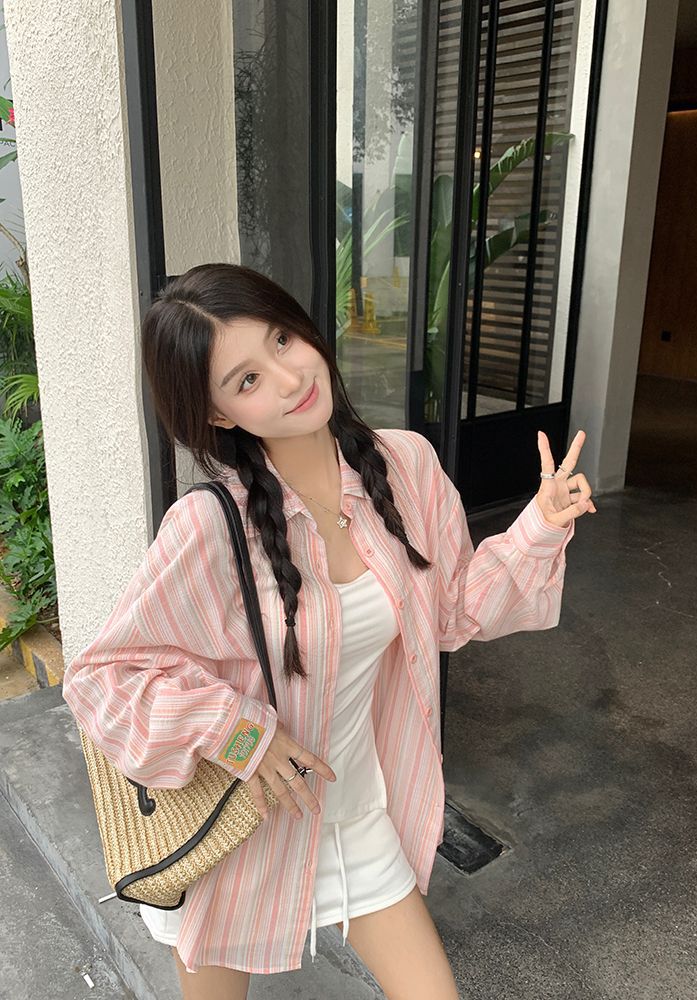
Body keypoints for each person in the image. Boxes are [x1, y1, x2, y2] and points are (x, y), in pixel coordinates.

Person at [62, 262, 595, 1000]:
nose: (289, 379)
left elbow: (451, 612)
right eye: (248, 379)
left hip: (357, 813)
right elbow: (100, 679)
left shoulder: (405, 465)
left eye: (282, 339)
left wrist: (539, 525)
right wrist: (238, 733)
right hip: (240, 831)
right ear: (219, 414)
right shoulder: (210, 527)